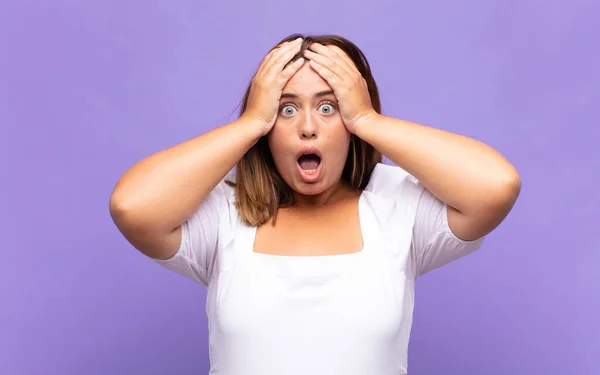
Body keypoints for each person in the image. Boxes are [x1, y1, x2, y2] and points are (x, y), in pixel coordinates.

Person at [109, 34, 521, 375]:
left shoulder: (397, 205)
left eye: (329, 108)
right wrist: (250, 122)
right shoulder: (223, 213)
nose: (308, 128)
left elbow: (496, 185)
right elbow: (132, 206)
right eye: (286, 109)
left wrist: (367, 121)